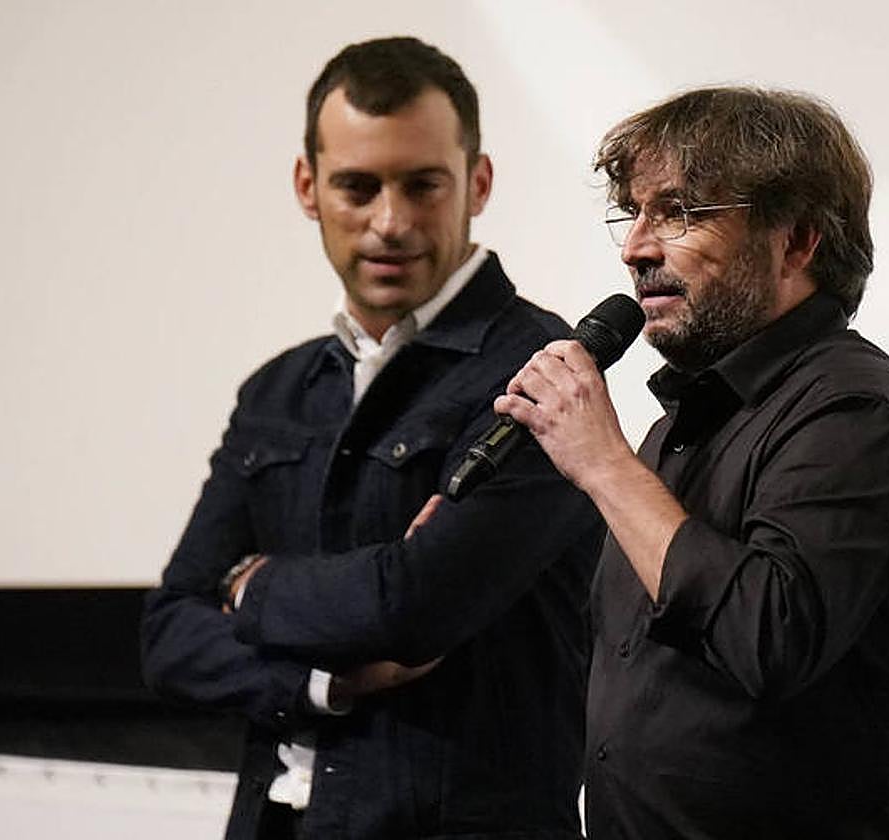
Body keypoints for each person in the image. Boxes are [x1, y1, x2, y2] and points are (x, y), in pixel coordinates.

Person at [141, 37, 603, 840]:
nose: (390, 223)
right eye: (358, 187)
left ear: (478, 183)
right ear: (307, 186)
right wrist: (326, 683)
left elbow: (413, 607)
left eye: (422, 185)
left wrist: (253, 587)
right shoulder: (278, 389)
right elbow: (170, 634)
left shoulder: (542, 372)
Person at [496, 87, 889, 838]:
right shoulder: (683, 430)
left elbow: (769, 637)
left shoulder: (858, 414)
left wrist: (604, 464)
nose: (636, 246)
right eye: (634, 211)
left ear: (796, 241)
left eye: (681, 211)